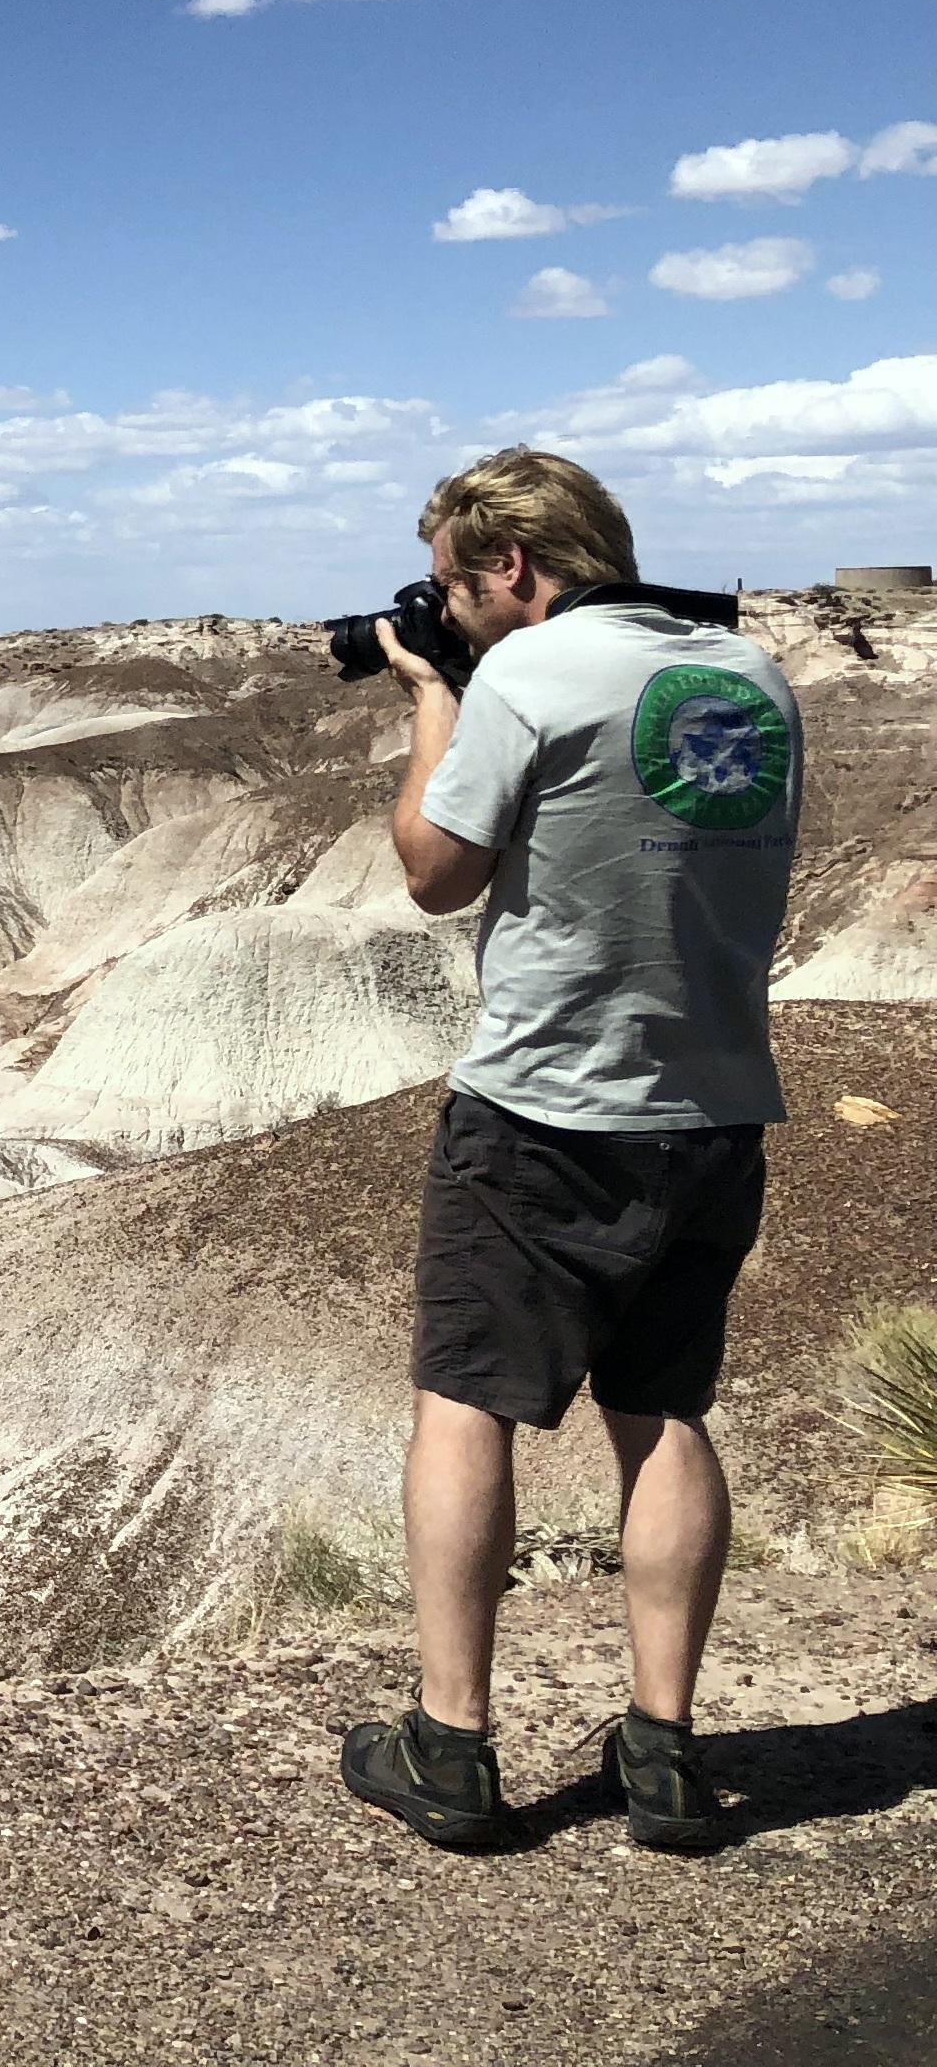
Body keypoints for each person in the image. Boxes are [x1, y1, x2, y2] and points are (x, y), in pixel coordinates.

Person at [342, 447, 797, 1854]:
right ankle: (662, 1754)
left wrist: (433, 693)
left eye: (452, 588)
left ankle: (453, 1745)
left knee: (466, 1401)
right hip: (715, 1105)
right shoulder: (753, 675)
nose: (450, 612)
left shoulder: (527, 678)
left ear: (512, 569)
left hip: (549, 1112)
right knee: (660, 1409)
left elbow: (434, 872)